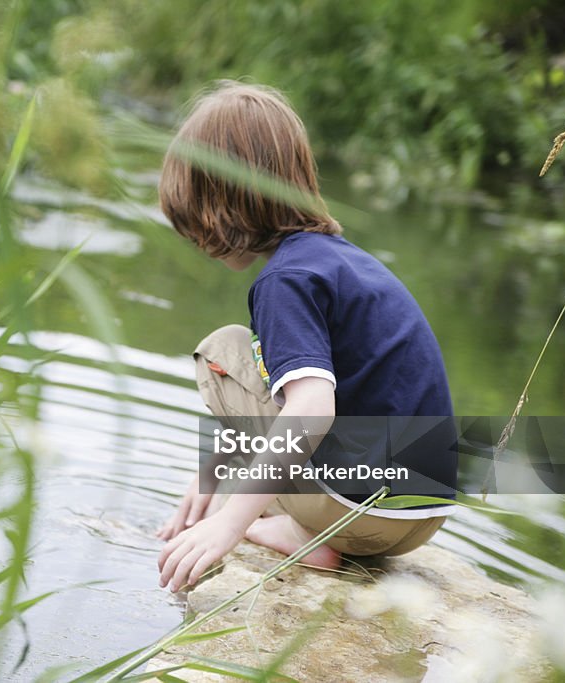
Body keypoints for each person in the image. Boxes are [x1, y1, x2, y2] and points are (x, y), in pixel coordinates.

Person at [155, 81, 458, 593]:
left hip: (359, 510)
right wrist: (213, 474)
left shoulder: (284, 281)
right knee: (272, 406)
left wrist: (229, 523)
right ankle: (302, 521)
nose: (196, 240)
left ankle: (305, 533)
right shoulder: (339, 261)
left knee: (224, 351)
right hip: (423, 510)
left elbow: (313, 409)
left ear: (228, 199)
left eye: (196, 220)